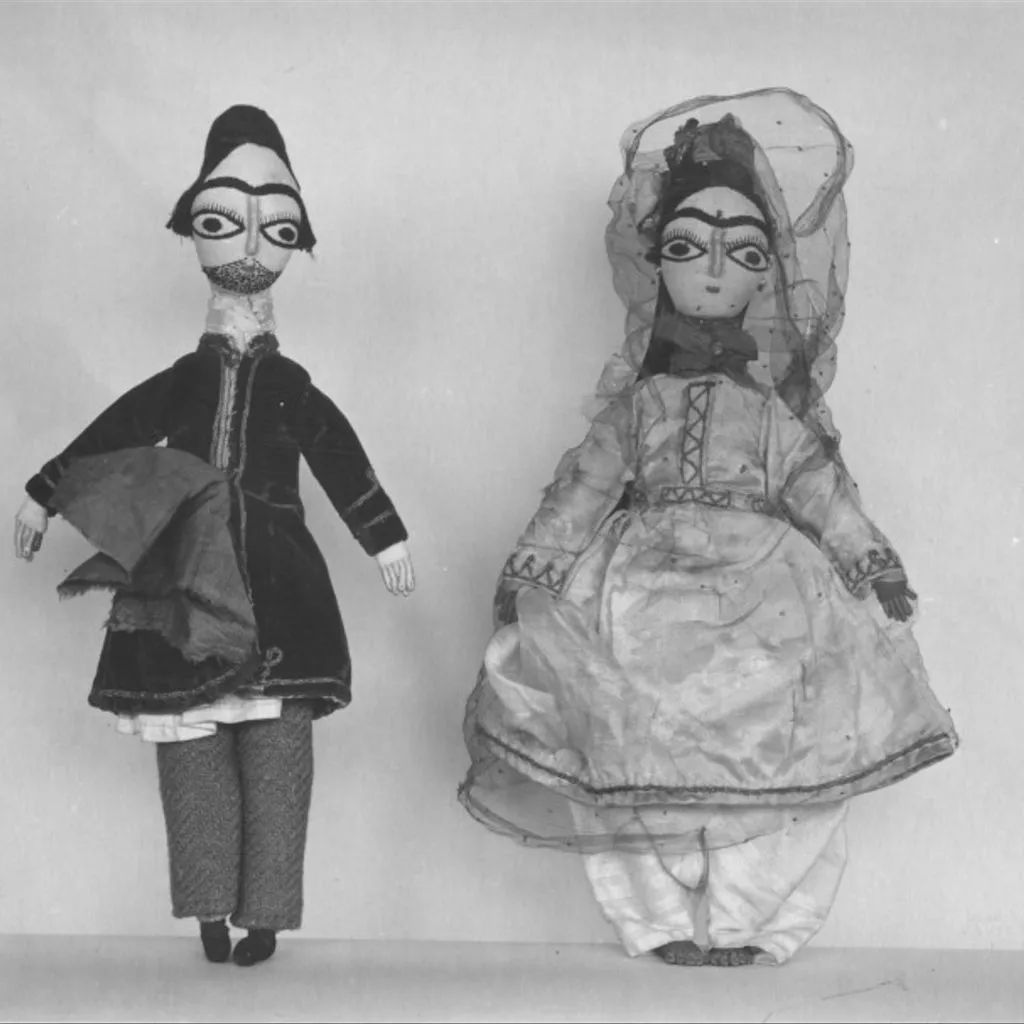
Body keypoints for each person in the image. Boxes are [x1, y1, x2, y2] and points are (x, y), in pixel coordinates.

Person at [459, 88, 957, 967]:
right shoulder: (637, 408)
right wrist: (534, 569)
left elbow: (819, 490)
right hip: (641, 590)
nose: (716, 271)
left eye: (745, 251)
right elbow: (583, 489)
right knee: (620, 739)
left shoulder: (772, 417)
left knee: (777, 751)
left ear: (768, 275)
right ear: (657, 264)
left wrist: (870, 562)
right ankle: (653, 917)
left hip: (768, 593)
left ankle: (753, 920)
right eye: (689, 247)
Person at [13, 105, 415, 967]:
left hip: (279, 587)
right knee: (190, 748)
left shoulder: (292, 383)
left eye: (279, 227)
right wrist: (45, 492)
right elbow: (117, 428)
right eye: (223, 219)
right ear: (192, 227)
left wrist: (384, 536)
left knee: (278, 753)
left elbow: (338, 453)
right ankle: (208, 911)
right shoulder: (182, 379)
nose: (251, 244)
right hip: (184, 581)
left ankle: (263, 918)